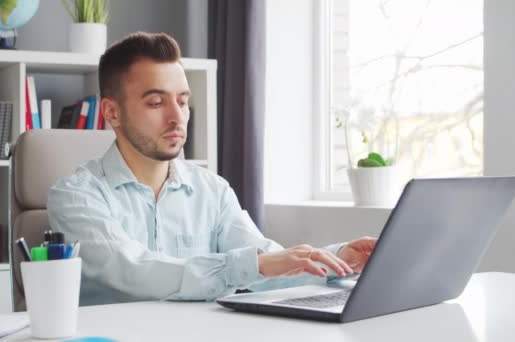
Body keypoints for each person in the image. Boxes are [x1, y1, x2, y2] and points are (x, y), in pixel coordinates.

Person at [47, 31, 376, 305]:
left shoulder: (212, 191)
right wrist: (252, 265)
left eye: (182, 100)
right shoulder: (76, 196)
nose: (177, 116)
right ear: (112, 113)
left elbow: (268, 264)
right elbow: (133, 270)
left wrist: (338, 259)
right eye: (156, 102)